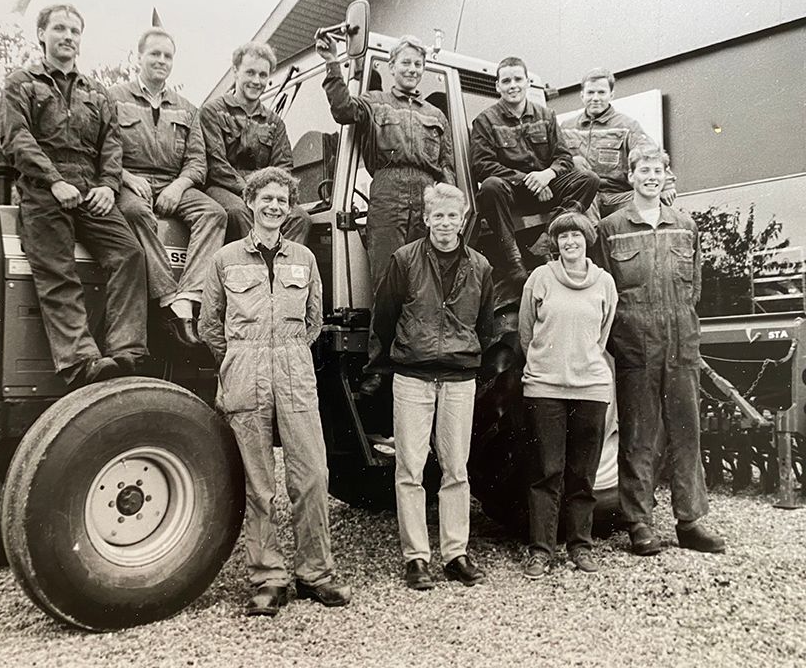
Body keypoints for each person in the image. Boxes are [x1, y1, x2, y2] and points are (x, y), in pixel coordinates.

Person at [198, 166, 350, 617]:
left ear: (289, 208)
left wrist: (285, 355)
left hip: (294, 371)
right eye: (266, 198)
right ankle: (267, 577)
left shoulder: (303, 258)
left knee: (313, 476)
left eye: (282, 200)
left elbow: (313, 321)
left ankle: (315, 573)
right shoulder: (224, 260)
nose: (274, 206)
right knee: (259, 485)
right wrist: (243, 358)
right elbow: (211, 325)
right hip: (245, 371)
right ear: (250, 203)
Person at [0, 4, 146, 387]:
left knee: (130, 254)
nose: (68, 36)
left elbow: (111, 144)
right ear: (41, 35)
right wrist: (53, 181)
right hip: (42, 189)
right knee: (57, 269)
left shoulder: (96, 92)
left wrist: (107, 186)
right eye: (59, 29)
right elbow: (17, 139)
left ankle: (126, 352)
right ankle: (81, 361)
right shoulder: (21, 83)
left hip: (90, 187)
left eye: (74, 31)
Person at [596, 146, 726, 556]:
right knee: (638, 435)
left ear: (666, 177)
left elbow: (695, 289)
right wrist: (626, 333)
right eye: (643, 170)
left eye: (657, 170)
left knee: (687, 431)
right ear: (631, 176)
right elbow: (607, 292)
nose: (650, 176)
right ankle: (639, 523)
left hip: (681, 342)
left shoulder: (685, 225)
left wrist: (678, 325)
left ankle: (689, 521)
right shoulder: (611, 228)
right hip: (635, 344)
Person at [366, 183, 494, 591]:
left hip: (459, 379)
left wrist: (470, 359)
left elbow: (486, 326)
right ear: (425, 219)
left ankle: (456, 554)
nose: (444, 223)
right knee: (411, 469)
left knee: (456, 469)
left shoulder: (481, 267)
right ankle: (417, 558)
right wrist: (386, 365)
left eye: (452, 216)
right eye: (437, 215)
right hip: (413, 378)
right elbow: (383, 318)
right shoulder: (404, 260)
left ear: (463, 220)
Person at [109, 28, 227, 346]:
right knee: (134, 213)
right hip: (130, 180)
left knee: (214, 213)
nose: (161, 60)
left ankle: (189, 295)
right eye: (155, 53)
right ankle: (168, 300)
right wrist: (125, 178)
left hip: (172, 182)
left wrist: (179, 186)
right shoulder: (114, 98)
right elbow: (99, 151)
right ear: (139, 57)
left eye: (167, 55)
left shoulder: (187, 108)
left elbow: (197, 163)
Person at [518, 210, 617, 579]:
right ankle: (541, 550)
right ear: (555, 243)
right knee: (547, 471)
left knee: (583, 473)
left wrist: (581, 364)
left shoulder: (604, 283)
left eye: (576, 236)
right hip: (545, 388)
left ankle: (580, 545)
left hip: (591, 388)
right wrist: (548, 366)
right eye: (562, 238)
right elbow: (526, 334)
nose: (569, 243)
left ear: (586, 240)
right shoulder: (540, 279)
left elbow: (602, 335)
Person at [315, 34, 455, 287]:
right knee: (388, 281)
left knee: (426, 283)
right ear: (391, 66)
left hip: (427, 197)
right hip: (388, 192)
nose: (412, 69)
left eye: (418, 64)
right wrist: (332, 62)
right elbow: (343, 109)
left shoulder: (435, 115)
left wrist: (451, 205)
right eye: (406, 63)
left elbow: (445, 165)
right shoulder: (375, 102)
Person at [470, 56, 599, 289]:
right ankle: (513, 260)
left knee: (588, 179)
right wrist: (529, 181)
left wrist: (547, 175)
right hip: (510, 195)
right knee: (490, 186)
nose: (513, 85)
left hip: (548, 188)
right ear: (497, 86)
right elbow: (482, 165)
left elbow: (564, 157)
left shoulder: (546, 116)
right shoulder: (485, 121)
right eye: (506, 81)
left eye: (518, 79)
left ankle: (551, 236)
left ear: (527, 82)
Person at [199, 42, 311, 244]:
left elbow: (283, 167)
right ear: (235, 71)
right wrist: (253, 193)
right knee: (238, 212)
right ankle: (252, 271)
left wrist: (268, 195)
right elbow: (216, 164)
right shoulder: (213, 112)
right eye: (250, 73)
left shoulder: (275, 122)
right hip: (225, 188)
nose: (256, 80)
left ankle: (284, 272)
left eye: (262, 75)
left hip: (265, 192)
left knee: (299, 218)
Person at [561, 67, 677, 218]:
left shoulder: (626, 126)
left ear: (611, 95)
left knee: (648, 199)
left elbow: (650, 155)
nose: (595, 98)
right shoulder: (566, 128)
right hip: (584, 195)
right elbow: (554, 159)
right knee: (582, 197)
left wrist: (667, 185)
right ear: (582, 95)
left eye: (601, 92)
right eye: (590, 92)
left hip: (617, 196)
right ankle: (594, 239)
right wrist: (571, 161)